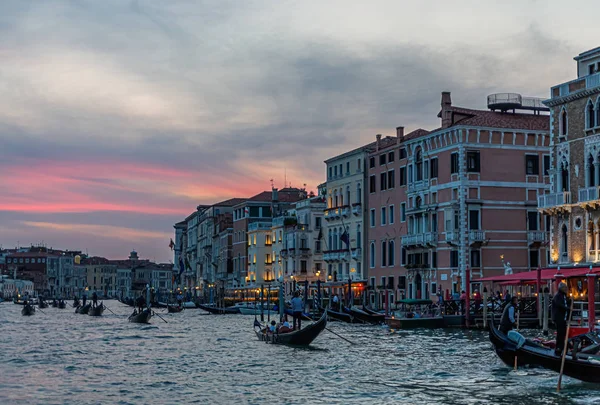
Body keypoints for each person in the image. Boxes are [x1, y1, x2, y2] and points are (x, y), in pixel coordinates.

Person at [552, 282, 570, 356]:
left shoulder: (564, 296)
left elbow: (566, 304)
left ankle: (563, 348)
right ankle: (559, 348)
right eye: (565, 288)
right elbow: (560, 305)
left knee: (563, 333)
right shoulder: (558, 296)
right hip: (559, 318)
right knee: (560, 333)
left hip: (563, 318)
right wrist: (568, 308)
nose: (567, 289)